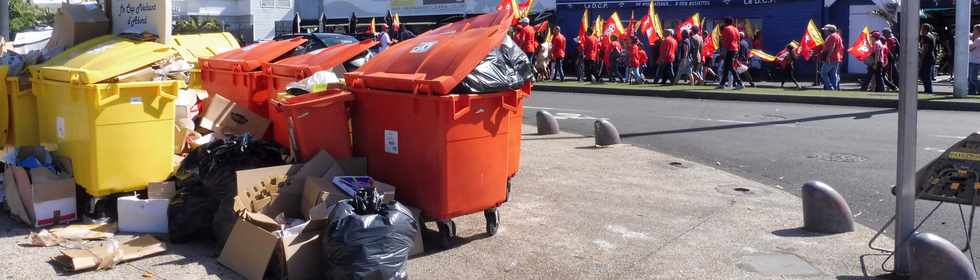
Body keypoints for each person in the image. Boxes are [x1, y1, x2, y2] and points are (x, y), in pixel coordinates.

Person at [716, 17, 743, 90]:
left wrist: (723, 53)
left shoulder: (726, 29)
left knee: (730, 67)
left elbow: (725, 42)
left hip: (729, 50)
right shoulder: (736, 29)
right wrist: (738, 51)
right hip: (735, 49)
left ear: (725, 23)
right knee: (726, 67)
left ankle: (740, 83)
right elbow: (738, 42)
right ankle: (722, 84)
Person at [819, 24, 844, 91]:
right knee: (833, 74)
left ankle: (830, 87)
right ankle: (834, 89)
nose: (824, 31)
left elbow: (832, 47)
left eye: (826, 30)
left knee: (823, 73)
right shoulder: (837, 36)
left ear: (830, 30)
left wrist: (828, 57)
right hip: (836, 58)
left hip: (831, 58)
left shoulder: (832, 36)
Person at [919, 23, 938, 94]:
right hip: (930, 57)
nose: (921, 30)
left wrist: (921, 59)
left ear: (924, 29)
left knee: (925, 75)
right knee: (924, 74)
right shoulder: (931, 36)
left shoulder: (927, 37)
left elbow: (925, 50)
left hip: (927, 58)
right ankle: (927, 89)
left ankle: (928, 90)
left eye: (922, 28)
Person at [970, 25, 980, 95]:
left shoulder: (978, 40)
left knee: (972, 78)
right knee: (970, 79)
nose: (973, 31)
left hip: (975, 61)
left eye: (974, 30)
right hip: (974, 60)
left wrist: (970, 40)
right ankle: (971, 92)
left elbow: (970, 48)